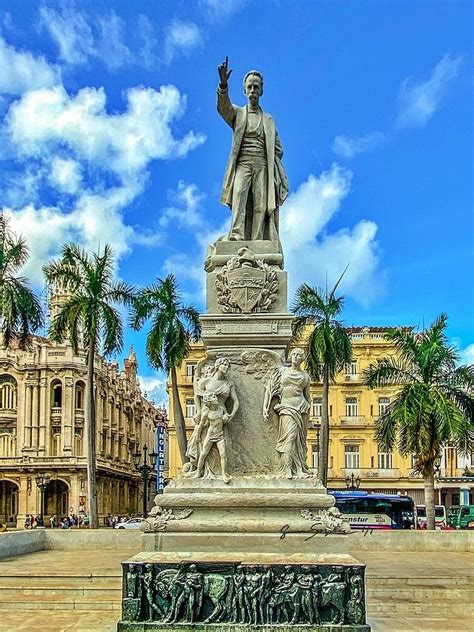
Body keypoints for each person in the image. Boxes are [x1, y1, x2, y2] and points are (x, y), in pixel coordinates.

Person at [217, 57, 288, 241]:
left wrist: (269, 159)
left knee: (260, 206)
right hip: (243, 163)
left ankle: (258, 239)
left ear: (261, 90)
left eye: (256, 87)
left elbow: (278, 148)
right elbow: (223, 108)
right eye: (249, 87)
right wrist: (223, 87)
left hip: (262, 166)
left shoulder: (268, 120)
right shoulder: (239, 114)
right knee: (239, 197)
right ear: (244, 90)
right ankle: (237, 235)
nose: (252, 91)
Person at [185, 357, 239, 477]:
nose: (226, 367)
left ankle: (223, 473)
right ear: (217, 366)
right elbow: (197, 396)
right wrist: (198, 412)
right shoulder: (207, 381)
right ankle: (201, 472)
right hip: (207, 412)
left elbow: (236, 401)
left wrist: (231, 415)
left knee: (223, 451)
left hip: (222, 414)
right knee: (203, 448)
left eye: (227, 365)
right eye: (223, 364)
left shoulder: (229, 383)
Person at [263, 348, 311, 478]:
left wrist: (307, 410)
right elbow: (269, 388)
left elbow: (307, 397)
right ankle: (287, 469)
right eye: (294, 354)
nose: (295, 357)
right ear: (290, 356)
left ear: (302, 359)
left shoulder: (305, 376)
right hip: (286, 407)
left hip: (300, 408)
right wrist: (265, 407)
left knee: (297, 440)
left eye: (299, 355)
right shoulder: (282, 371)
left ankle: (297, 468)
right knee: (289, 438)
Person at [194, 392, 232, 483]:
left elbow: (225, 420)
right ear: (209, 402)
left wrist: (226, 417)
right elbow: (201, 425)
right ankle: (198, 472)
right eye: (214, 398)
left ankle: (224, 474)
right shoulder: (207, 413)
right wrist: (198, 435)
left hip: (220, 435)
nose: (216, 399)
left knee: (223, 454)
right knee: (204, 454)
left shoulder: (221, 409)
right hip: (210, 436)